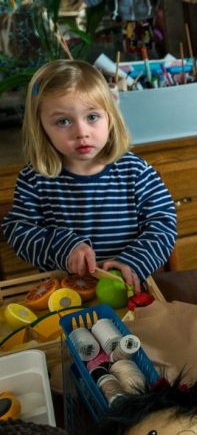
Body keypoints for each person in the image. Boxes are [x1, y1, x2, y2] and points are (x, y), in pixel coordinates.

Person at [1, 60, 177, 294]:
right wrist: (63, 248)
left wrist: (133, 262)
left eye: (92, 117)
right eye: (63, 121)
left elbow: (163, 225)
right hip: (65, 292)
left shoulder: (136, 171)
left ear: (110, 118)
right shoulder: (34, 179)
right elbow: (18, 230)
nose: (81, 132)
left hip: (129, 289)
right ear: (41, 128)